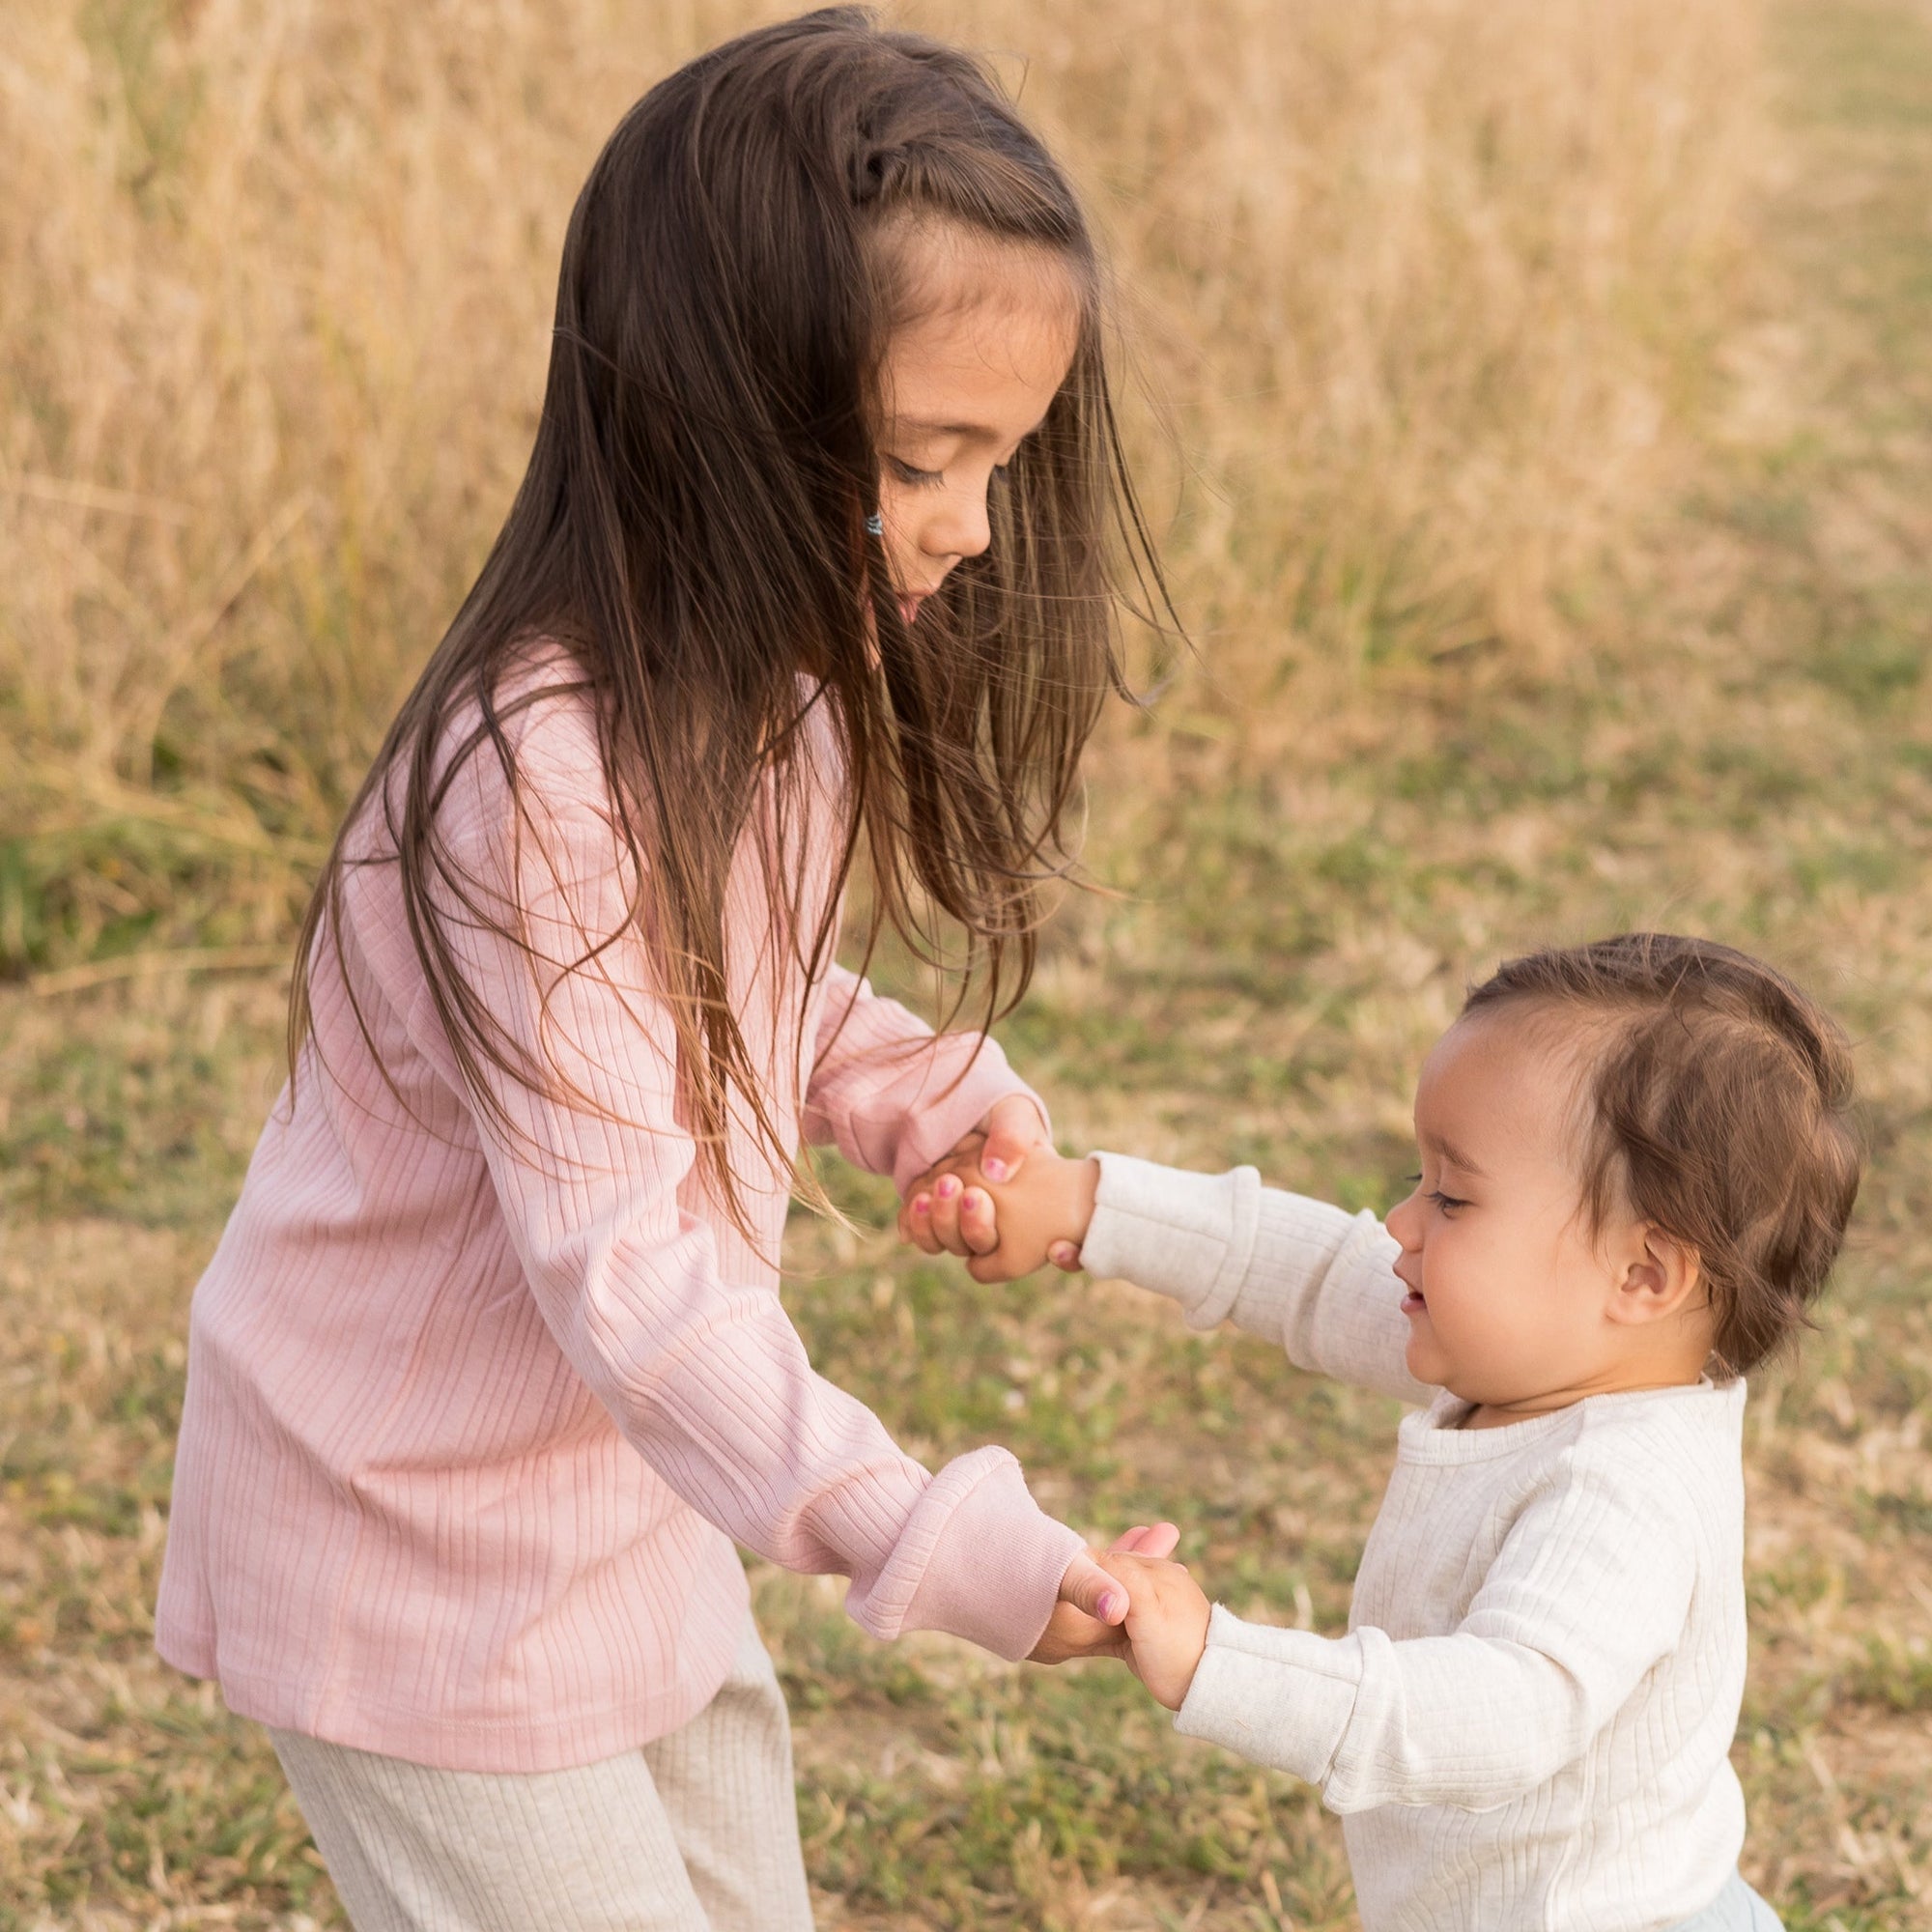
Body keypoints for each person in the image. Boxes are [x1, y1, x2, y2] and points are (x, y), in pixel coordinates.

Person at [154, 12, 1179, 1927]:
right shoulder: (534, 767)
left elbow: (725, 990)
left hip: (627, 1513)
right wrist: (922, 1529)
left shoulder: (768, 691)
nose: (967, 528)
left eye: (1001, 464)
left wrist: (903, 1083)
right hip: (418, 1549)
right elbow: (626, 1273)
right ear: (720, 409)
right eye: (919, 459)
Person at [914, 933, 1860, 1931]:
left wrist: (1215, 1658)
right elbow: (1317, 1269)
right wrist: (1086, 1201)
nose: (1402, 1222)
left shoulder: (1619, 1491)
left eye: (1450, 1196)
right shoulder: (1543, 1354)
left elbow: (1495, 1715)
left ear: (1640, 1274)